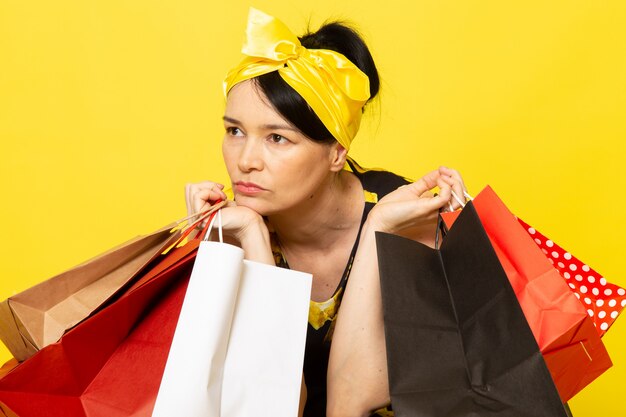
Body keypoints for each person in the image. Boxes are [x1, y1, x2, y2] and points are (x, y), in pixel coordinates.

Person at [185, 8, 467, 417]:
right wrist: (247, 243)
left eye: (277, 138)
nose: (246, 160)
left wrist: (377, 232)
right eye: (235, 131)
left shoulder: (405, 217)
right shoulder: (233, 226)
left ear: (337, 152)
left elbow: (354, 406)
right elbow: (270, 408)